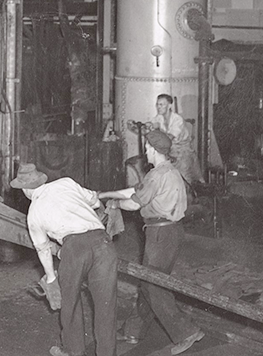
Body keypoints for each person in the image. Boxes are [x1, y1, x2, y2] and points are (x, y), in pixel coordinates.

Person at [98, 129, 205, 355]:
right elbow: (136, 190)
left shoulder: (157, 175)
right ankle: (134, 328)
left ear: (153, 150)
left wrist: (115, 205)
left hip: (160, 234)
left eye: (147, 146)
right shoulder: (169, 172)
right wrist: (107, 193)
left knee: (153, 283)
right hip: (172, 232)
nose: (144, 150)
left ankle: (186, 331)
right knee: (148, 282)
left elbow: (134, 203)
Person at [12, 163, 117, 356]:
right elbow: (94, 200)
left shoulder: (34, 212)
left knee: (71, 303)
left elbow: (43, 249)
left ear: (25, 190)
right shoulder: (66, 183)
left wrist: (51, 278)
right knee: (106, 306)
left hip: (74, 249)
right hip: (104, 244)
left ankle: (74, 351)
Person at [148, 94, 201, 183]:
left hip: (182, 150)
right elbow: (150, 133)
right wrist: (146, 127)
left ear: (169, 106)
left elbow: (168, 138)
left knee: (183, 177)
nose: (158, 107)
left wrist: (157, 130)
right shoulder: (157, 118)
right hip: (167, 150)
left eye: (162, 104)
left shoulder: (177, 119)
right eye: (157, 104)